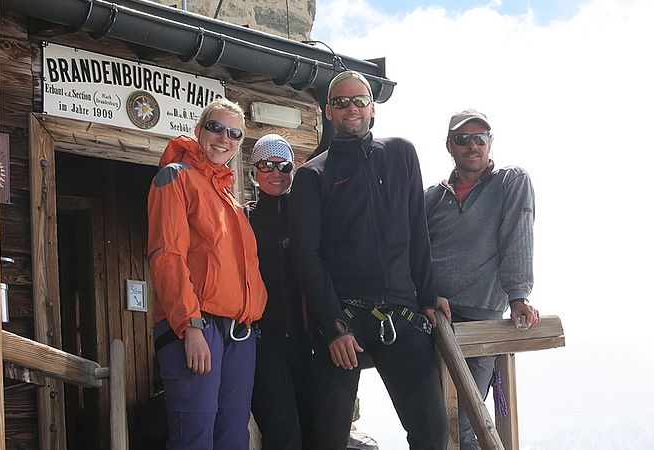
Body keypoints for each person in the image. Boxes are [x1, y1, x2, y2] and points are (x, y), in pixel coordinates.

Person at [289, 70, 450, 450]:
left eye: (359, 100)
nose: (351, 108)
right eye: (341, 102)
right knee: (327, 436)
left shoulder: (401, 154)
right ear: (329, 111)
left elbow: (417, 229)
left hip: (402, 312)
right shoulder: (313, 175)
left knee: (432, 431)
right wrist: (333, 328)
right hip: (345, 317)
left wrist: (428, 297)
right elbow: (305, 256)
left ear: (372, 107)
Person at [147, 98, 267, 450]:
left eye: (234, 133)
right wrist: (190, 325)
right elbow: (167, 255)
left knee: (233, 437)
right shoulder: (176, 177)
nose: (223, 138)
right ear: (199, 130)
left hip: (240, 335)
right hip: (198, 328)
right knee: (193, 439)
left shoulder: (229, 198)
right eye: (215, 127)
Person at [424, 109, 539, 450]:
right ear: (449, 146)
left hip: (480, 318)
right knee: (431, 420)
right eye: (462, 139)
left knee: (463, 420)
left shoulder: (510, 181)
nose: (472, 145)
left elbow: (517, 234)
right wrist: (425, 294)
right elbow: (412, 251)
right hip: (432, 317)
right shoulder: (431, 197)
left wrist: (518, 295)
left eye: (480, 138)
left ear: (490, 143)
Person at [246, 134, 312, 450]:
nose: (276, 172)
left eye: (283, 165)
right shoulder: (244, 218)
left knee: (317, 429)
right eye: (266, 165)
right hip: (264, 343)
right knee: (282, 434)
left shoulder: (307, 215)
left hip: (308, 340)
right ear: (254, 171)